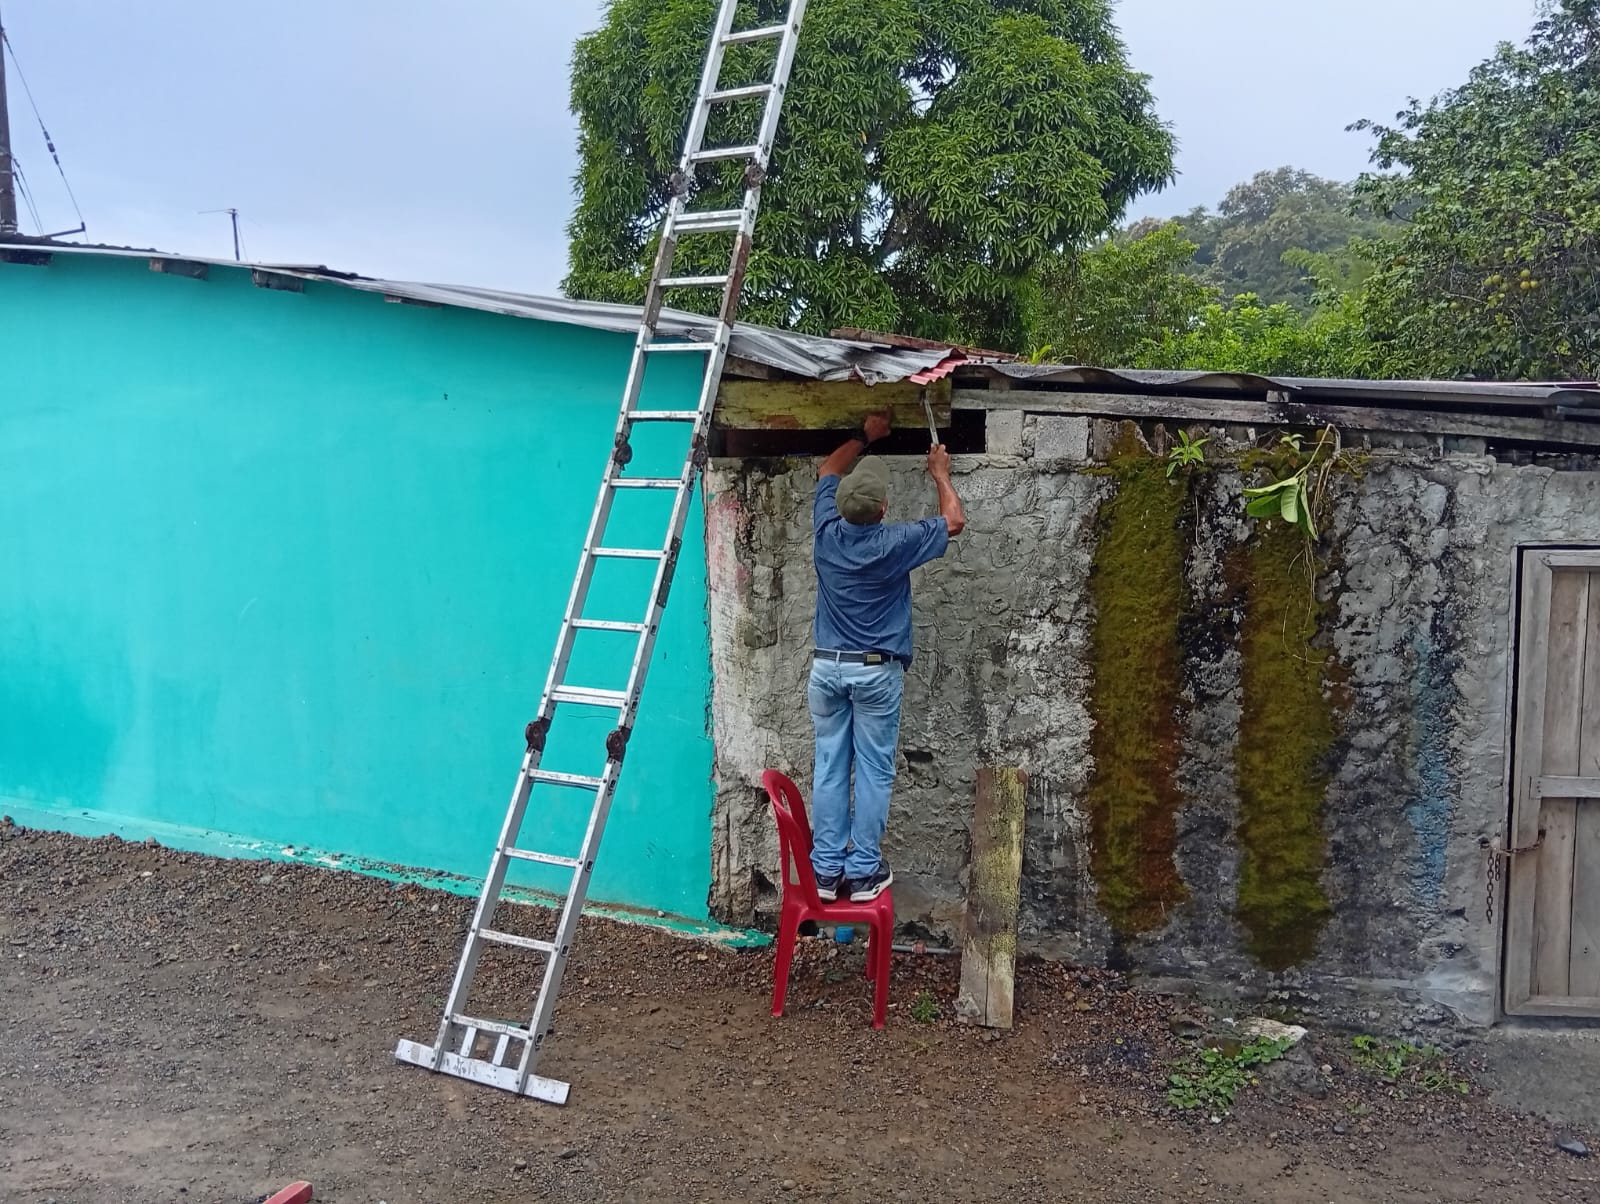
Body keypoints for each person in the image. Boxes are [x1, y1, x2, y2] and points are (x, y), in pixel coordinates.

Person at [808, 412, 965, 903]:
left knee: (830, 766)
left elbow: (827, 470)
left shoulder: (826, 532)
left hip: (826, 668)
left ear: (841, 506)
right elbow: (954, 521)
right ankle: (862, 873)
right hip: (874, 671)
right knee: (874, 770)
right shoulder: (893, 543)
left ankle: (825, 870)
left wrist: (864, 435)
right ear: (883, 510)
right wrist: (940, 474)